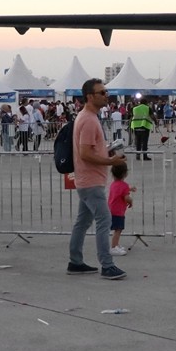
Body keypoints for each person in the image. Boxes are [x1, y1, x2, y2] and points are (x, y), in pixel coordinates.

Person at [68, 79, 127, 280]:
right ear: (90, 96)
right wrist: (110, 161)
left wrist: (107, 152)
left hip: (88, 179)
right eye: (101, 92)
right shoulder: (88, 120)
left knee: (82, 222)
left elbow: (89, 150)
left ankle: (75, 262)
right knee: (104, 220)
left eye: (106, 91)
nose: (106, 95)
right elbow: (85, 153)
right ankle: (107, 265)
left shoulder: (88, 117)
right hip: (90, 180)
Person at [108, 163, 135, 256]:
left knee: (116, 229)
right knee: (118, 229)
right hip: (118, 211)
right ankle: (113, 247)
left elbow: (120, 191)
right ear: (125, 174)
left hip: (112, 209)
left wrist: (129, 189)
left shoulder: (113, 184)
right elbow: (126, 197)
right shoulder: (124, 185)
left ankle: (116, 245)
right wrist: (131, 201)